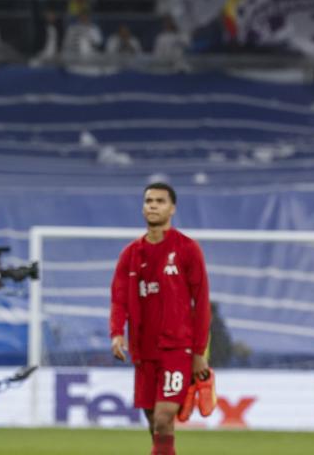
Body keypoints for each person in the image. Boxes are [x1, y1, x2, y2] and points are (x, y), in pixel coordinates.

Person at [109, 182, 210, 455]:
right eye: (149, 200)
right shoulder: (130, 254)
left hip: (177, 347)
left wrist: (199, 352)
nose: (153, 205)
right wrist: (117, 333)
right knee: (155, 425)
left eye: (160, 201)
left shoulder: (187, 249)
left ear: (172, 208)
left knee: (165, 418)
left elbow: (201, 303)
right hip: (144, 350)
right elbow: (119, 299)